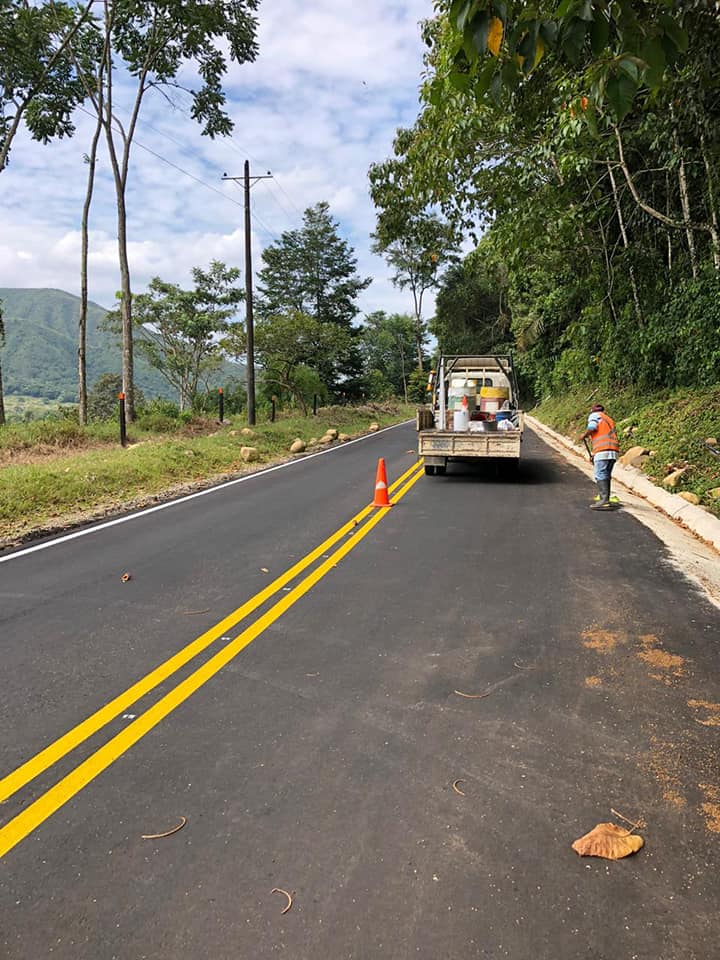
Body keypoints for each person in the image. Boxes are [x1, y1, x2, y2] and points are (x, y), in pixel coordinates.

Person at [580, 404, 620, 510]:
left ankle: (604, 501)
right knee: (606, 475)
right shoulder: (608, 419)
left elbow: (592, 427)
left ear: (592, 411)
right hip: (613, 451)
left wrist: (584, 435)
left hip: (603, 451)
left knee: (600, 474)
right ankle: (606, 499)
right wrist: (594, 454)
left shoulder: (594, 416)